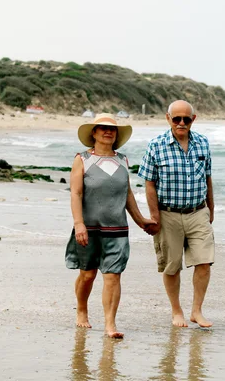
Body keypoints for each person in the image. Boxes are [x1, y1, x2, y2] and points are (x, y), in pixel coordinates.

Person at [65, 113, 156, 338]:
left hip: (117, 229)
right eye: (102, 128)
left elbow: (127, 195)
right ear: (93, 132)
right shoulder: (82, 159)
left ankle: (110, 325)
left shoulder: (122, 160)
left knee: (113, 275)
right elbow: (76, 193)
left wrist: (141, 219)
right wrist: (79, 224)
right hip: (89, 228)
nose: (108, 131)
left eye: (112, 129)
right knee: (87, 275)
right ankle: (82, 310)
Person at [138, 100, 215, 328]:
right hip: (167, 213)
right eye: (176, 119)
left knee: (204, 262)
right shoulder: (156, 145)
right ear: (168, 118)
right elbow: (149, 183)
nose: (181, 123)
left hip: (198, 211)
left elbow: (207, 178)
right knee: (172, 266)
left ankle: (197, 311)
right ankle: (176, 311)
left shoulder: (203, 143)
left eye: (186, 119)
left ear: (194, 119)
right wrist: (154, 216)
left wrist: (211, 208)